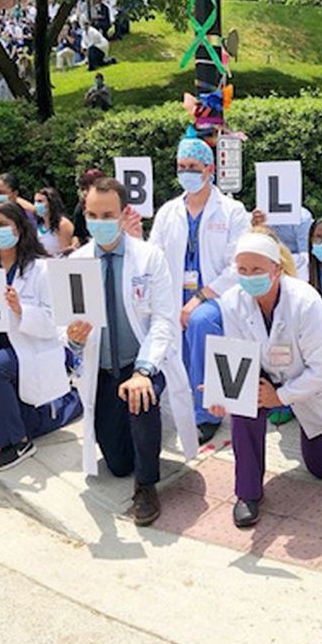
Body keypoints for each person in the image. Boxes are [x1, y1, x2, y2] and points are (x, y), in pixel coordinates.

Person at [209, 230, 322, 528]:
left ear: (276, 269)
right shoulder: (232, 300)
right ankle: (247, 493)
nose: (249, 277)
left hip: (312, 385)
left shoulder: (305, 301)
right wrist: (224, 391)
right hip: (264, 376)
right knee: (245, 406)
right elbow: (237, 353)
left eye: (257, 270)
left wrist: (282, 397)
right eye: (242, 270)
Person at [65, 178, 198, 525]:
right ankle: (137, 459)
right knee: (118, 463)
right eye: (92, 215)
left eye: (107, 214)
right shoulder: (76, 263)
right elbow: (60, 326)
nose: (99, 222)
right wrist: (74, 339)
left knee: (142, 400)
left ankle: (147, 485)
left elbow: (165, 320)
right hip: (102, 370)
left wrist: (144, 370)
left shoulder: (148, 258)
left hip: (141, 364)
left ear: (124, 214)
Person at [0, 201, 83, 471]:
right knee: (30, 421)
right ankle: (70, 403)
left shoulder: (40, 268)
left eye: (3, 225)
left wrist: (20, 309)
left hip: (34, 348)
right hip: (2, 346)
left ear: (19, 228)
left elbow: (53, 322)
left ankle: (17, 443)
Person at [148, 135, 251, 444]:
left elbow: (237, 267)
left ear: (209, 169)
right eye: (181, 166)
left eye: (193, 166)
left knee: (200, 321)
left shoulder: (232, 211)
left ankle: (207, 412)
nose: (186, 173)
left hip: (217, 295)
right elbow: (154, 258)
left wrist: (198, 298)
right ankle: (160, 398)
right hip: (174, 292)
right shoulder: (168, 211)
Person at [33, 186, 75, 257]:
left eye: (40, 201)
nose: (36, 205)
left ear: (51, 203)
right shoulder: (39, 225)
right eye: (35, 201)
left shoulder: (62, 224)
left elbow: (66, 254)